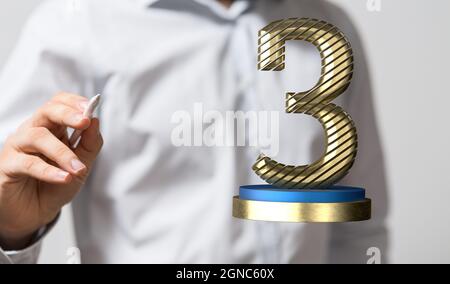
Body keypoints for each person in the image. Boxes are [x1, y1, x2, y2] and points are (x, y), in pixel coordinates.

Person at [0, 0, 388, 264]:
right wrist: (13, 228)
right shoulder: (76, 23)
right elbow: (13, 199)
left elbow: (357, 222)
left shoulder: (330, 27)